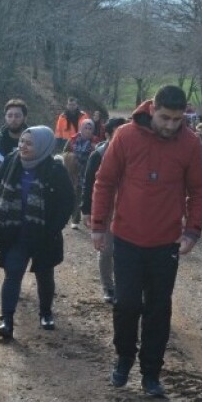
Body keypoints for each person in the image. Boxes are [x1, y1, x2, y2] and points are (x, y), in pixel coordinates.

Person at [90, 85, 202, 398]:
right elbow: (105, 181)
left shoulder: (190, 143)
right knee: (127, 303)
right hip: (127, 237)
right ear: (152, 109)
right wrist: (99, 224)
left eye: (177, 119)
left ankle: (151, 371)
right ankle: (124, 357)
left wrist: (193, 230)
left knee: (158, 309)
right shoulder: (126, 136)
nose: (171, 125)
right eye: (165, 118)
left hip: (166, 242)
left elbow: (198, 190)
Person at [0, 126, 75, 339]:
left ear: (43, 146)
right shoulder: (11, 161)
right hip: (15, 231)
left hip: (44, 234)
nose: (23, 146)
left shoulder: (55, 169)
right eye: (22, 142)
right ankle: (6, 320)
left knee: (45, 275)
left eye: (29, 143)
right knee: (13, 272)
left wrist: (54, 228)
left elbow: (67, 202)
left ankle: (45, 312)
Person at [81, 116, 126, 303]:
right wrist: (86, 210)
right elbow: (89, 183)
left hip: (126, 210)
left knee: (124, 252)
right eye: (117, 132)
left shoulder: (133, 153)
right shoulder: (98, 155)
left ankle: (124, 287)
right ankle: (108, 287)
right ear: (107, 134)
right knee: (106, 251)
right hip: (105, 209)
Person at [63, 118, 97, 226]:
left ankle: (89, 217)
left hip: (90, 173)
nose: (88, 130)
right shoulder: (73, 140)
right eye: (85, 128)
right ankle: (75, 219)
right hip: (76, 172)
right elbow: (65, 152)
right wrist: (70, 158)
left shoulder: (96, 142)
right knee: (77, 194)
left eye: (90, 128)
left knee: (90, 195)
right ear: (81, 128)